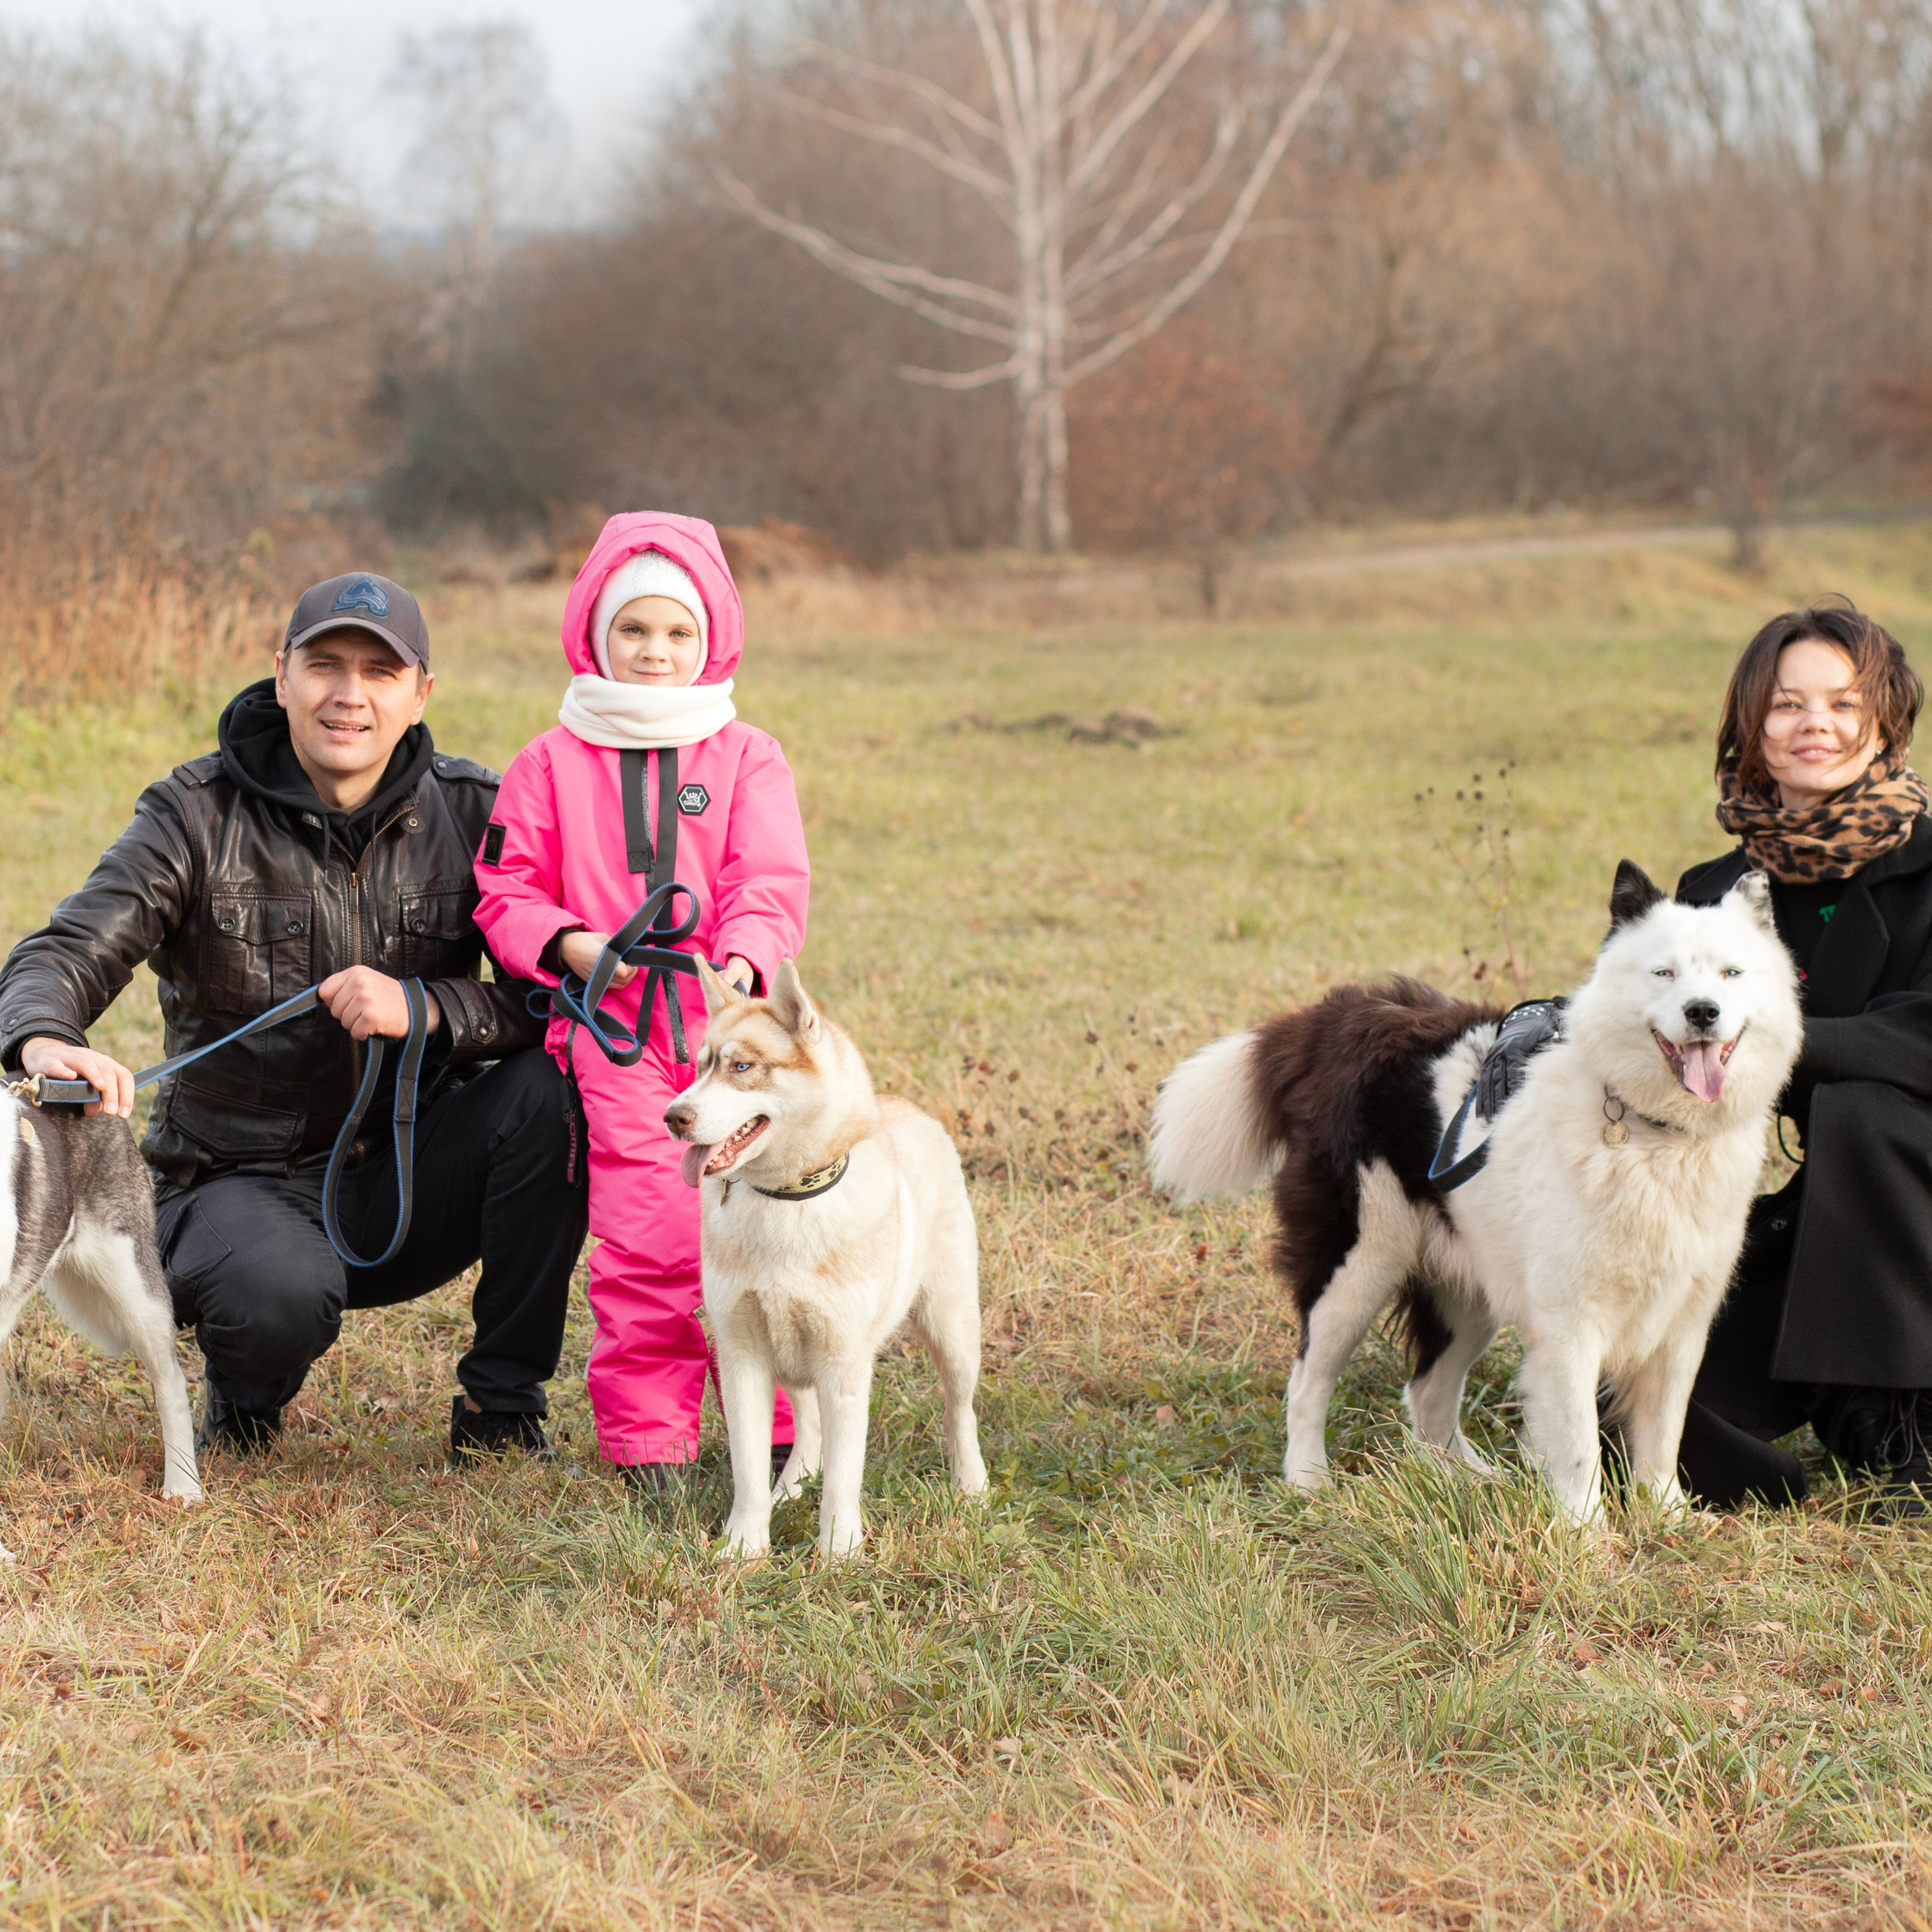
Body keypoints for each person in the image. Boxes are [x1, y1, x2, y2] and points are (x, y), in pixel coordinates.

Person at [0, 573, 588, 1460]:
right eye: (325, 665)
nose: (350, 695)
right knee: (274, 1293)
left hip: (408, 1173)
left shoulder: (477, 810)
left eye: (380, 672)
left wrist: (427, 1006)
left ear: (420, 691)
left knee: (553, 1091)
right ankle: (247, 1392)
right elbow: (61, 953)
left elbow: (554, 997)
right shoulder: (191, 816)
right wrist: (47, 1037)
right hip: (235, 1180)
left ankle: (502, 1409)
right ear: (282, 677)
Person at [473, 514, 811, 1489]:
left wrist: (743, 961)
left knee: (765, 1221)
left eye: (675, 633)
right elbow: (506, 891)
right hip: (614, 1039)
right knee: (650, 1238)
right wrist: (573, 944)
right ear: (595, 635)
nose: (655, 652)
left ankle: (787, 1426)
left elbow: (769, 881)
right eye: (634, 632)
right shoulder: (549, 761)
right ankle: (651, 1440)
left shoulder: (747, 754)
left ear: (708, 641)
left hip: (732, 1044)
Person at [1675, 600, 1932, 1515]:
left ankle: (1900, 1421)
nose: (1813, 724)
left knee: (1861, 1110)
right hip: (1836, 1201)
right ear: (1752, 720)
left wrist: (1756, 1037)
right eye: (1787, 704)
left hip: (1909, 1176)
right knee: (1647, 1420)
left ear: (1884, 721)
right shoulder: (1712, 891)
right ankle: (1835, 1401)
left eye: (1842, 704)